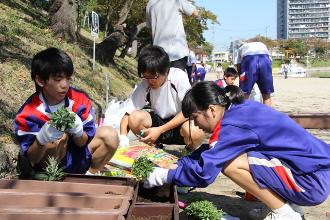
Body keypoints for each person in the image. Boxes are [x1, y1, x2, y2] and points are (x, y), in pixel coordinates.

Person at [143, 81, 330, 220]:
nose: (196, 125)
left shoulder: (231, 126)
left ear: (211, 110)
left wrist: (162, 176)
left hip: (311, 181)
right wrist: (179, 164)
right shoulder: (239, 110)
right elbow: (210, 152)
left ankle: (284, 214)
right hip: (310, 171)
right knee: (236, 158)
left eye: (195, 117)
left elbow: (204, 173)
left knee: (231, 164)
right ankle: (288, 206)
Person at [14, 47, 119, 175]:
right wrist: (41, 140)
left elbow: (83, 143)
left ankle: (89, 175)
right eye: (58, 79)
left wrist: (79, 132)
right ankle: (53, 180)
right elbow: (32, 158)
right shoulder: (28, 113)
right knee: (58, 138)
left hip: (79, 158)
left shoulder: (79, 100)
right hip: (48, 168)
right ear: (40, 80)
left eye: (68, 78)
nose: (64, 85)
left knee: (110, 135)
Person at [119, 46, 204, 149]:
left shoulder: (178, 76)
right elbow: (128, 113)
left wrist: (160, 129)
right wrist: (123, 136)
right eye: (146, 76)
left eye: (154, 76)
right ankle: (155, 147)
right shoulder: (145, 83)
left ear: (166, 71)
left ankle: (190, 150)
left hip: (180, 124)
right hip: (158, 123)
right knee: (134, 118)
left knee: (194, 130)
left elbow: (189, 109)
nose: (150, 81)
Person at [146, 0, 198, 71]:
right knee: (176, 80)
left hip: (159, 54)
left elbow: (149, 29)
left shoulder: (150, 3)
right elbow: (195, 13)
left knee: (162, 81)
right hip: (177, 53)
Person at [236, 42, 274, 106]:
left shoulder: (241, 48)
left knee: (244, 94)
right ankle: (266, 114)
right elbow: (270, 62)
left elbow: (238, 65)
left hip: (249, 59)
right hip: (265, 59)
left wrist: (242, 80)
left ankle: (245, 114)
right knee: (266, 94)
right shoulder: (262, 44)